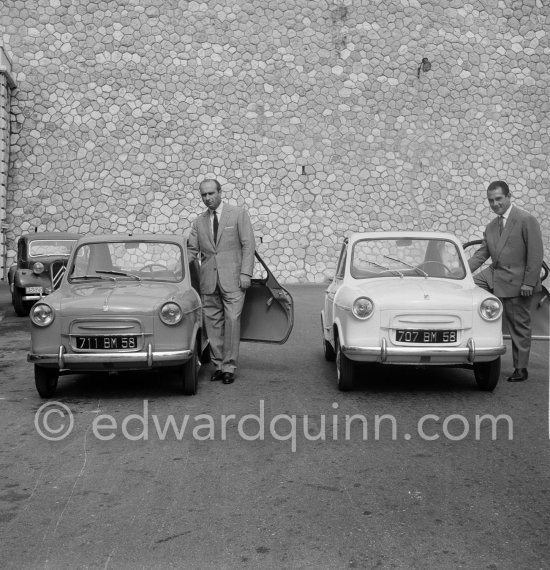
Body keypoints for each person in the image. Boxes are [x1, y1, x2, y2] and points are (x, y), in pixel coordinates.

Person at [468, 181, 544, 382]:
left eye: (498, 199)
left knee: (519, 325)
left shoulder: (526, 219)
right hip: (495, 273)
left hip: (518, 280)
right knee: (466, 287)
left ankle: (521, 368)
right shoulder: (491, 226)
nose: (495, 204)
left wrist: (528, 282)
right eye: (491, 200)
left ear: (509, 196)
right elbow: (481, 254)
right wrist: (459, 272)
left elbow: (536, 254)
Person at [187, 179, 255, 385]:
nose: (207, 198)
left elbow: (248, 245)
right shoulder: (199, 221)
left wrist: (246, 274)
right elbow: (191, 251)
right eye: (203, 195)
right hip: (209, 281)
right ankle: (218, 364)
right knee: (213, 324)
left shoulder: (238, 214)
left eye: (210, 193)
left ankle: (229, 366)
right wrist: (174, 266)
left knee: (232, 322)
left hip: (234, 280)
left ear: (220, 192)